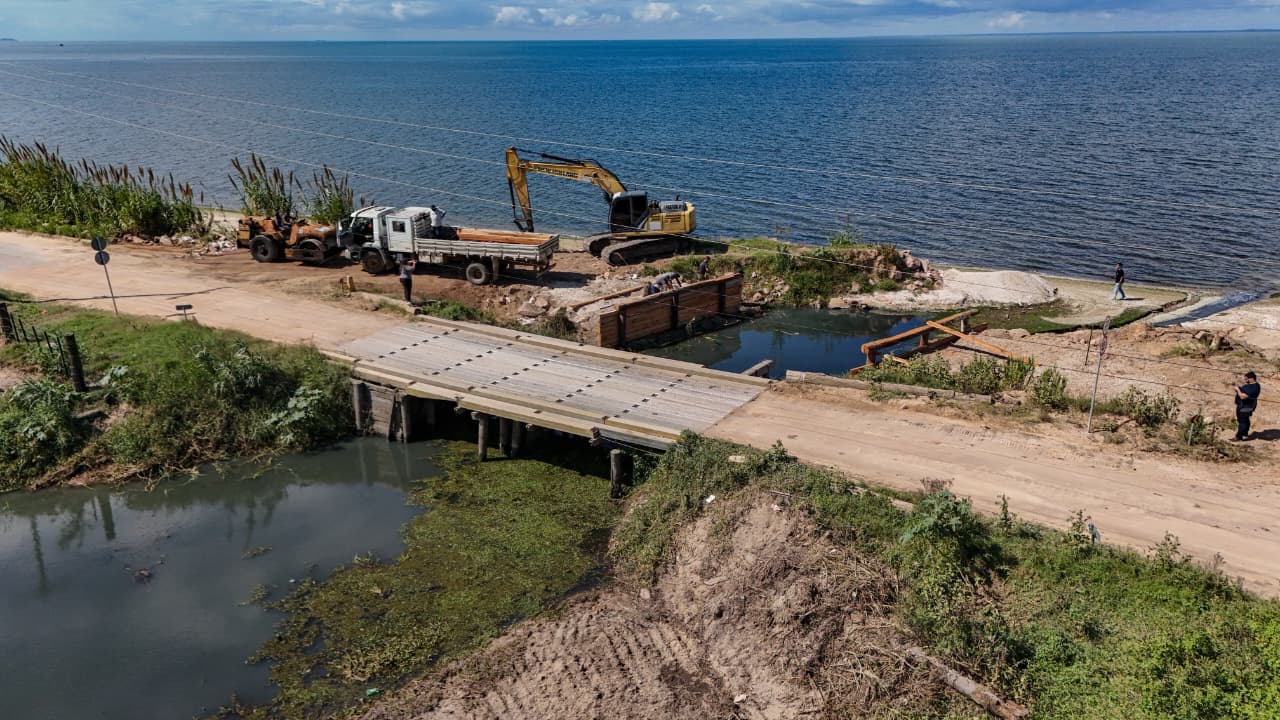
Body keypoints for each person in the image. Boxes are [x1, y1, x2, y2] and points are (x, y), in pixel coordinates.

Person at [1233, 371, 1261, 441]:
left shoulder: (1255, 387)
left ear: (1251, 378)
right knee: (1243, 420)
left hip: (1247, 406)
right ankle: (1244, 433)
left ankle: (1238, 436)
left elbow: (1243, 396)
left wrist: (1238, 390)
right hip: (1242, 405)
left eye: (1247, 379)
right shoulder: (1249, 385)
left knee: (1243, 421)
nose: (1246, 381)